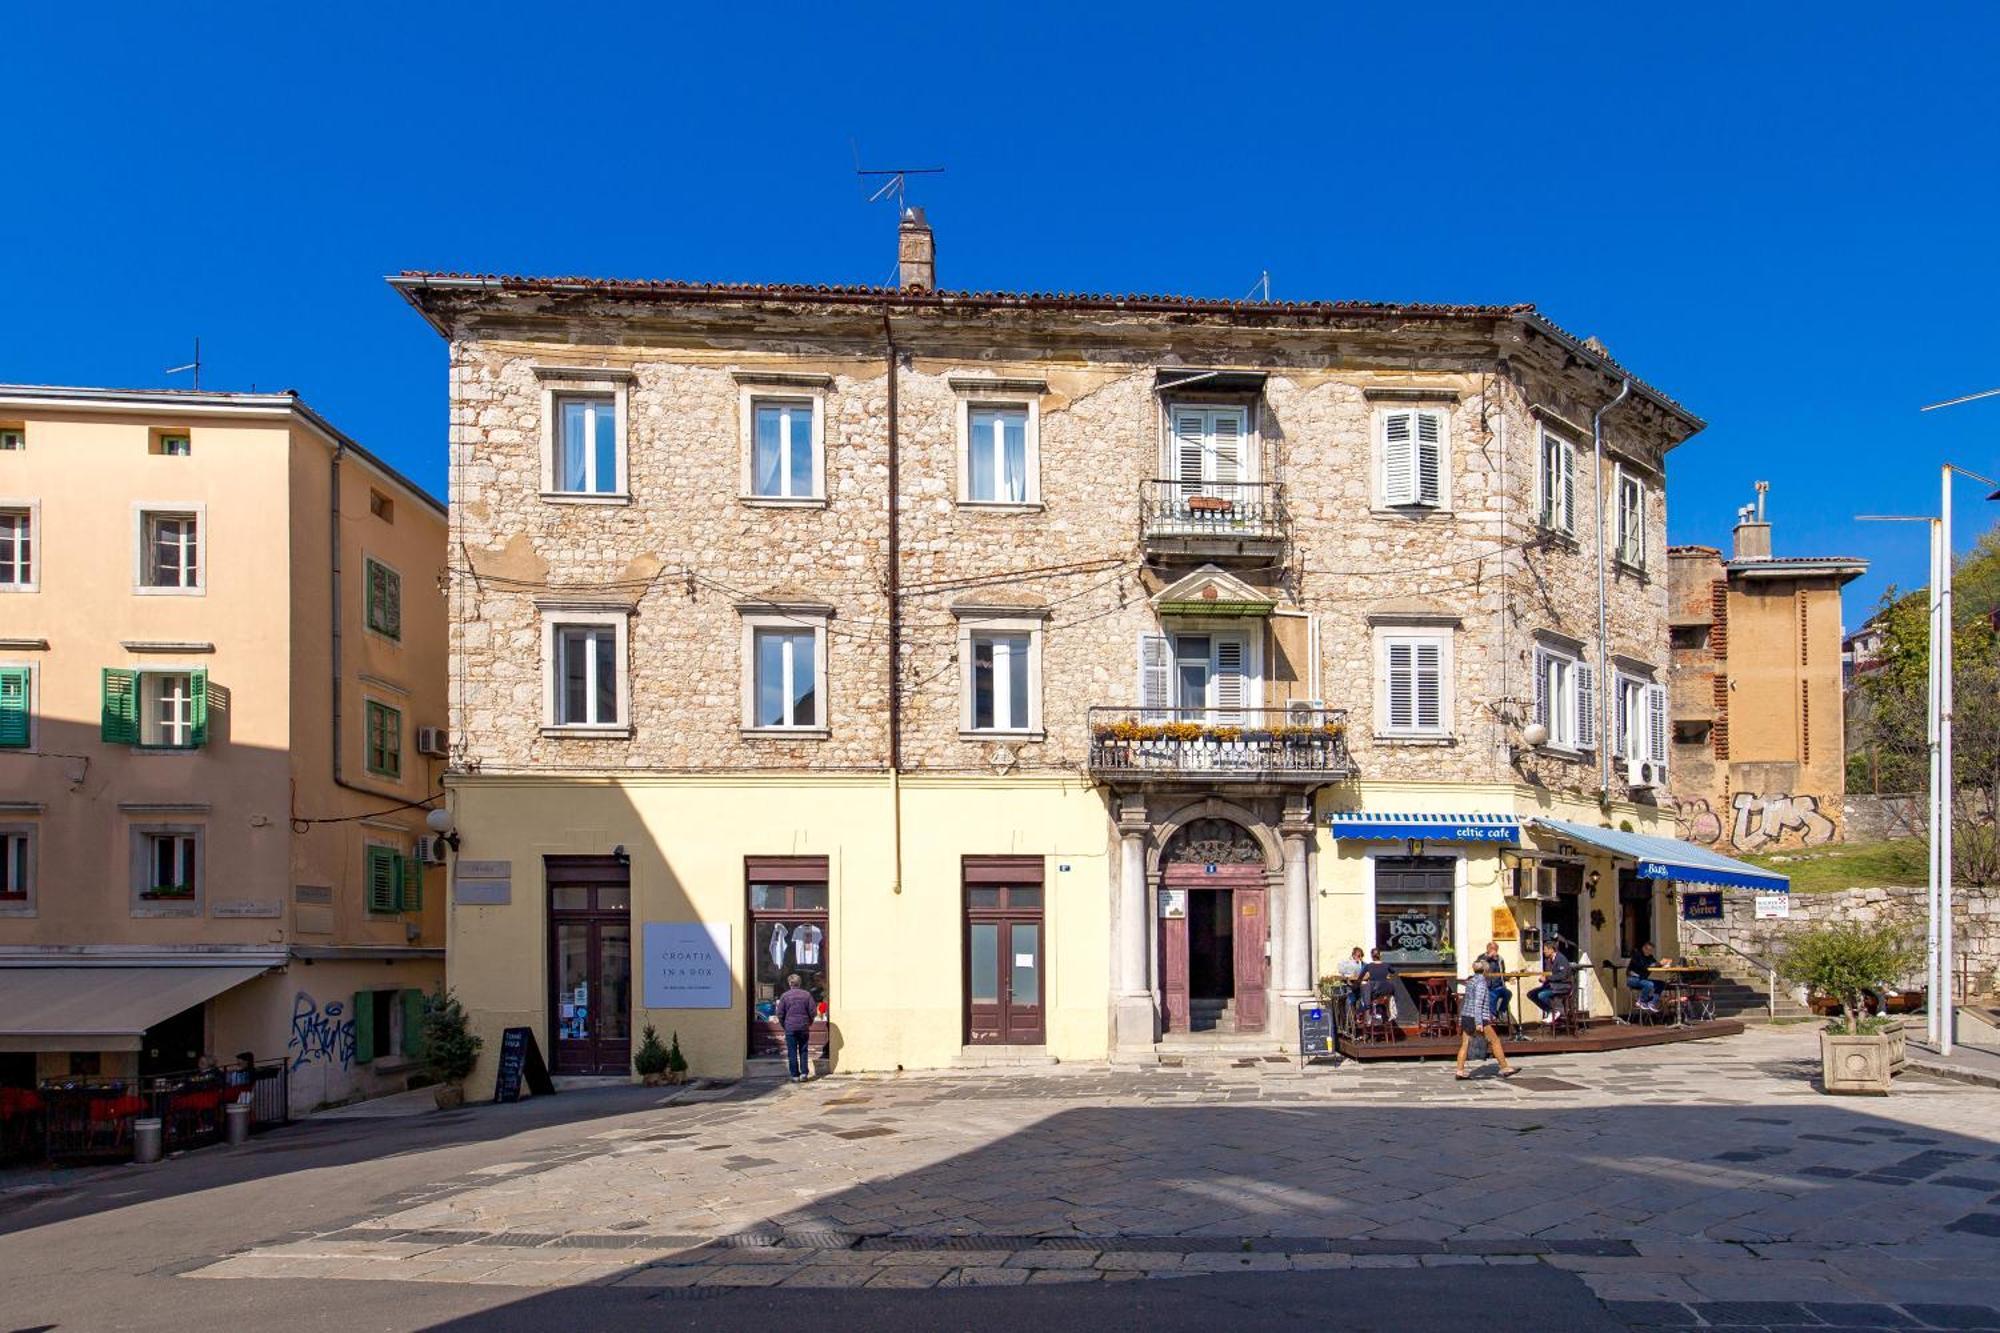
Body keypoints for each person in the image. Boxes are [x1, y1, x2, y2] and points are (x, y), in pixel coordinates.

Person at [1455, 959, 1519, 1080]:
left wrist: (1461, 1019)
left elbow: (1467, 1001)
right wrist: (1479, 1022)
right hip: (1478, 1017)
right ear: (1485, 970)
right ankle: (1504, 1067)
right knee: (1495, 1041)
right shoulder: (1481, 983)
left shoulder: (1470, 981)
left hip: (1466, 1016)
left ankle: (1460, 1070)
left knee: (1465, 1043)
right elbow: (1478, 1003)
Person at [774, 974, 816, 1083]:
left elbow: (780, 1013)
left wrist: (785, 1025)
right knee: (803, 1050)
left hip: (790, 1027)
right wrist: (809, 1022)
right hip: (803, 1027)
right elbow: (813, 1012)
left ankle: (795, 1075)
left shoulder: (784, 996)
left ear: (789, 983)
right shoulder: (807, 995)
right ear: (800, 983)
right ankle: (804, 1074)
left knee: (792, 1052)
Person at [1527, 941, 1574, 1024]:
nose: (1543, 951)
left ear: (1551, 950)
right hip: (1552, 985)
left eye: (1545, 949)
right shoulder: (1548, 960)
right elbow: (1548, 974)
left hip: (1563, 986)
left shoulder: (1561, 959)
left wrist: (1547, 978)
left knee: (1542, 995)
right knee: (1531, 994)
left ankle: (1556, 1011)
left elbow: (1562, 975)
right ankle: (1550, 1011)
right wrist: (1543, 978)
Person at [1627, 941, 1667, 1012]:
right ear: (1643, 948)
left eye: (1651, 950)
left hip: (1643, 980)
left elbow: (1656, 964)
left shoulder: (1650, 957)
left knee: (1661, 984)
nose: (1649, 952)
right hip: (1633, 979)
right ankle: (1641, 1001)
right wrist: (1654, 964)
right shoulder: (1637, 955)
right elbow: (1643, 966)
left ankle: (1652, 1002)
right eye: (1648, 949)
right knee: (1649, 984)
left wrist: (1663, 964)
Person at [1479, 940, 1511, 1020]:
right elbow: (1478, 966)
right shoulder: (1482, 958)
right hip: (1488, 986)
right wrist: (1488, 957)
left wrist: (1509, 978)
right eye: (1493, 949)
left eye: (1496, 949)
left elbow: (1502, 973)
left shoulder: (1500, 959)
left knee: (1508, 993)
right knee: (1492, 994)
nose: (1495, 951)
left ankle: (1501, 1011)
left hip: (1499, 986)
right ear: (1488, 949)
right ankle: (1492, 1015)